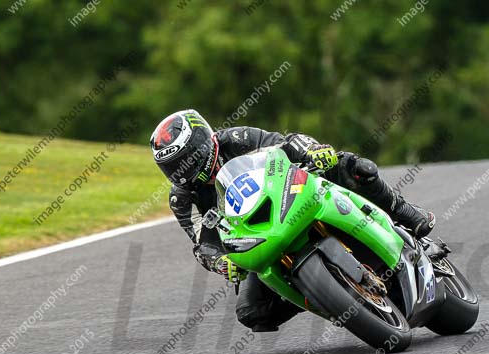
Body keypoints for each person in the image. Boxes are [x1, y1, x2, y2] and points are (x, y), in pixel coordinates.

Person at [150, 109, 435, 331]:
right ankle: (320, 292)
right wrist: (221, 263)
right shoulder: (182, 200)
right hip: (257, 239)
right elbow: (202, 245)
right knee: (251, 312)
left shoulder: (236, 139)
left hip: (291, 198)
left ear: (203, 142)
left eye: (185, 159)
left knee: (353, 166)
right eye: (171, 167)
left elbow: (285, 143)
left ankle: (406, 213)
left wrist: (312, 150)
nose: (181, 172)